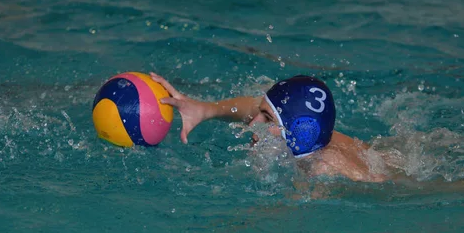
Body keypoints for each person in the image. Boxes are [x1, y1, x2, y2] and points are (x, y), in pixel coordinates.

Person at [151, 72, 390, 182]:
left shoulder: (324, 171)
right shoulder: (312, 137)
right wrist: (203, 110)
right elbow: (252, 106)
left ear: (299, 131)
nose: (253, 124)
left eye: (266, 119)